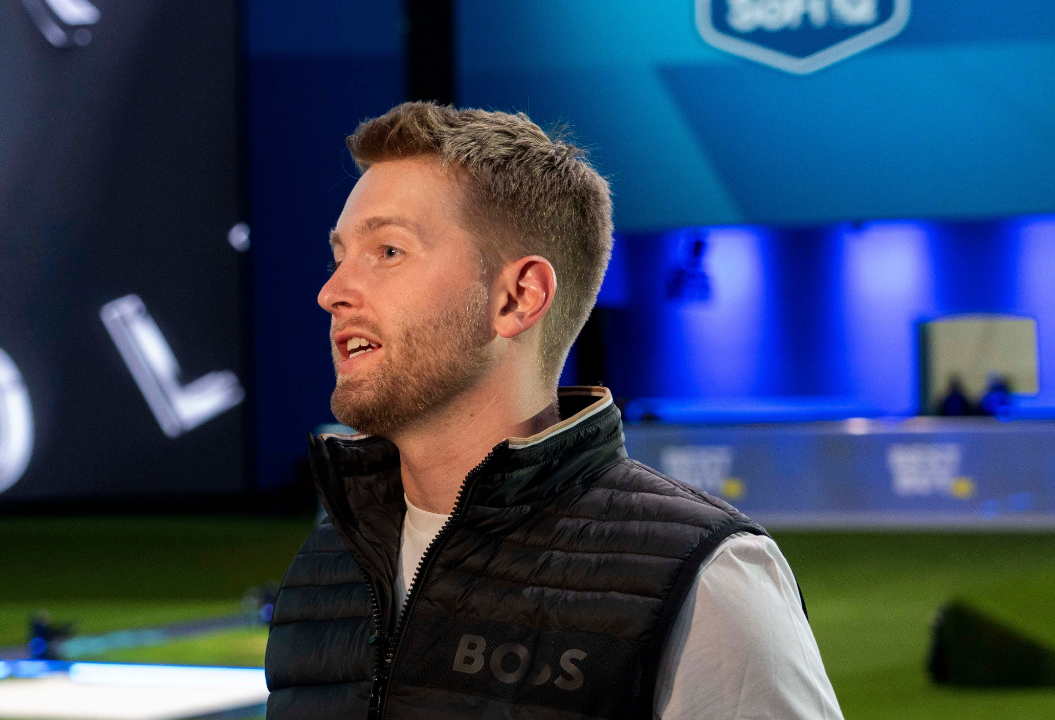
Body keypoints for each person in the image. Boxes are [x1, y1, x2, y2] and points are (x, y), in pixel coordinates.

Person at [264, 102, 843, 720]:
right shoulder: (329, 566)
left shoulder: (705, 582)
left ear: (518, 297)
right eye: (340, 255)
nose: (332, 292)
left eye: (388, 252)